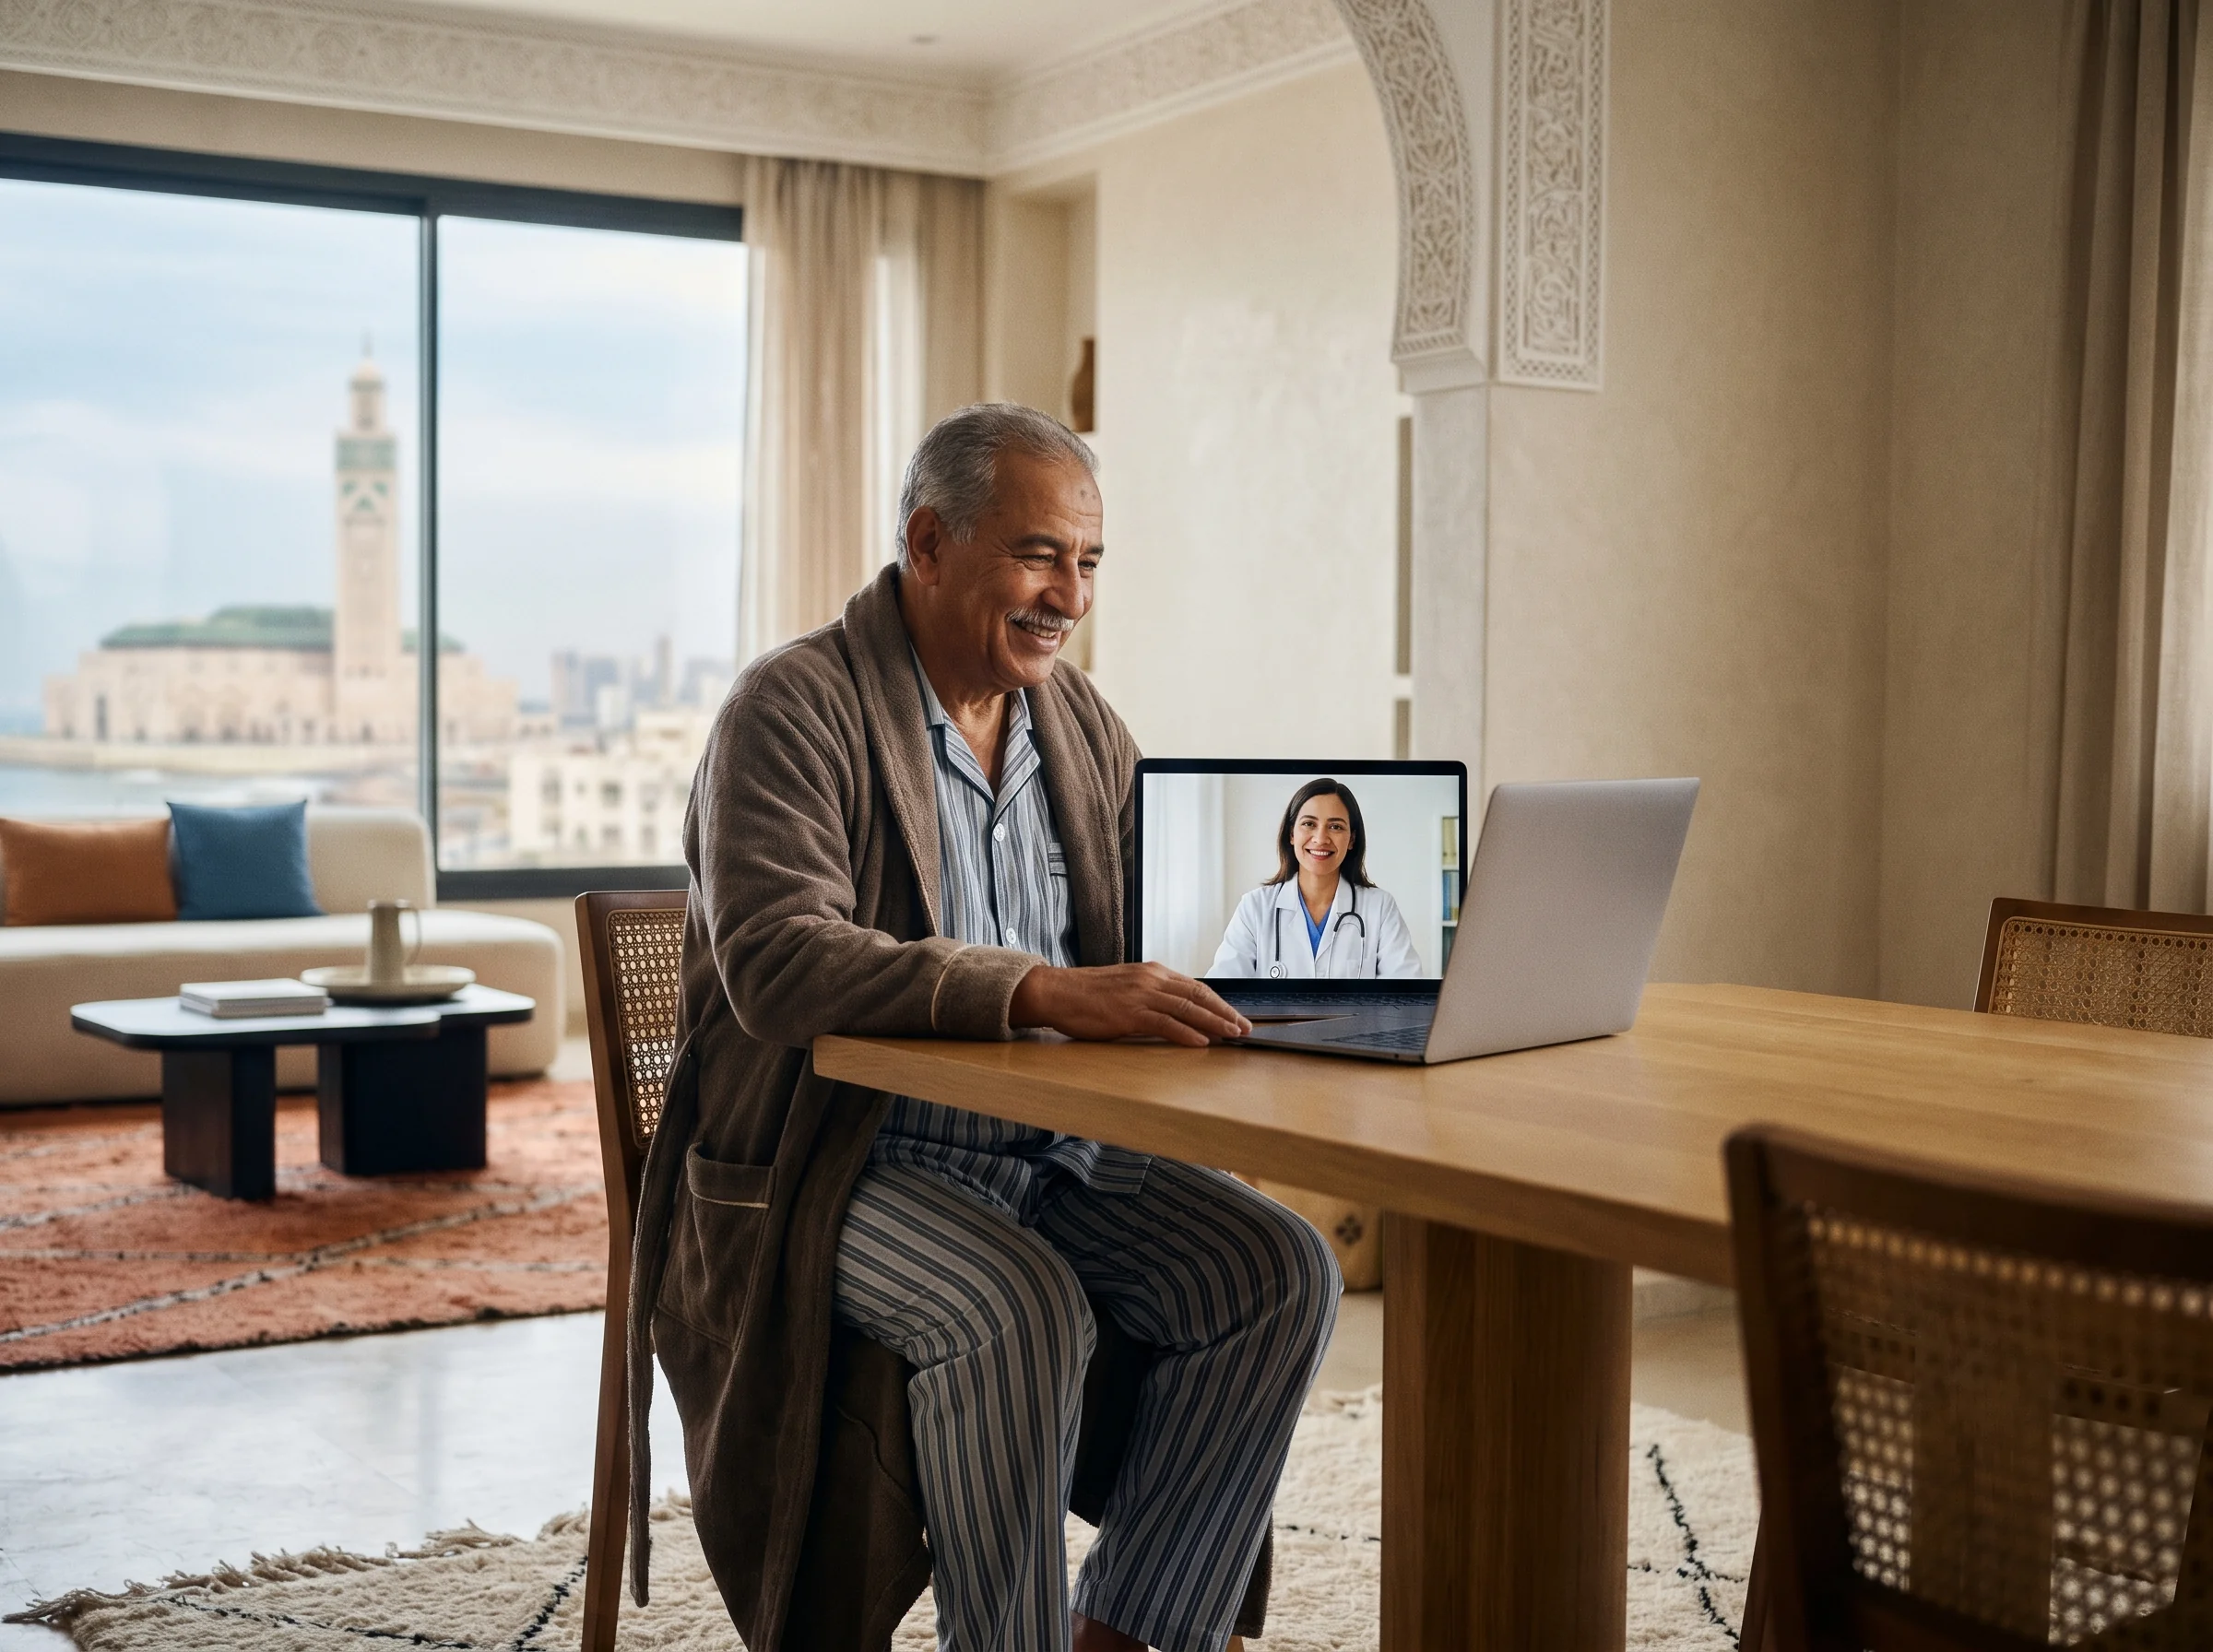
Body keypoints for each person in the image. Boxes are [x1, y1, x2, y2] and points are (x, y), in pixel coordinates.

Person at [627, 403, 1341, 1652]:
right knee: (1018, 1307)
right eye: (1038, 554)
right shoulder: (792, 709)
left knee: (1278, 1271)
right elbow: (779, 961)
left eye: (1089, 563)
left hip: (1050, 1153)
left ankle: (1129, 1633)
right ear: (930, 542)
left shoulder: (1084, 728)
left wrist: (1282, 974)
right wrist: (1038, 990)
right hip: (837, 1165)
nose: (1069, 594)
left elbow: (1143, 947)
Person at [1209, 778, 1424, 979]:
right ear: (1291, 834)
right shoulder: (1255, 907)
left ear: (1351, 840)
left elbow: (1407, 989)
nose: (1321, 839)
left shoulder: (1380, 907)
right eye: (1309, 824)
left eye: (1336, 827)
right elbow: (1221, 995)